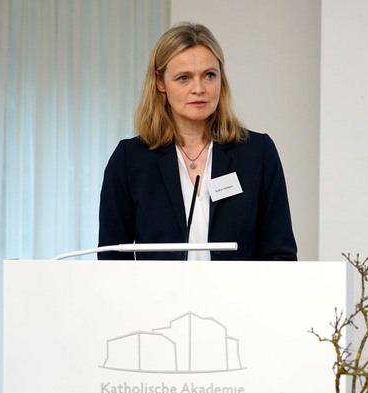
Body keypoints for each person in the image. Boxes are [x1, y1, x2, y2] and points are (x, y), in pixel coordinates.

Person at [98, 22, 297, 261]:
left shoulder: (258, 153)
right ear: (160, 83)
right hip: (159, 298)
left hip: (240, 298)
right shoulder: (130, 159)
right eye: (184, 78)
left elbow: (280, 254)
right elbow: (111, 259)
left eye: (209, 75)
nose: (199, 88)